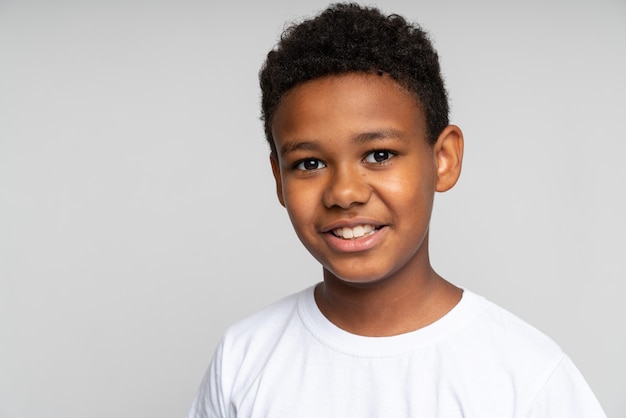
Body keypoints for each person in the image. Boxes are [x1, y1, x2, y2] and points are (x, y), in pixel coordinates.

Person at [188, 3, 606, 417]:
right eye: (309, 163)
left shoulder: (527, 377)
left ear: (443, 159)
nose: (345, 193)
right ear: (279, 178)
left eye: (379, 154)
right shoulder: (242, 360)